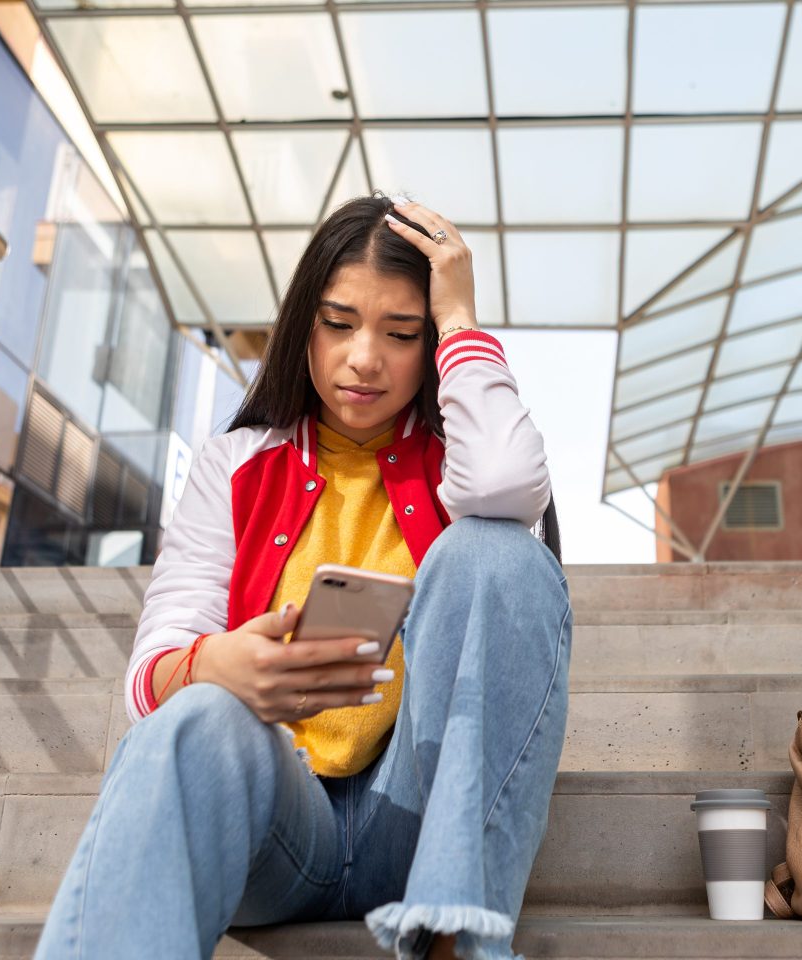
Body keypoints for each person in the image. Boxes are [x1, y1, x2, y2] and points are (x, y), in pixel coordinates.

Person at [33, 194, 572, 960]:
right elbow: (146, 680)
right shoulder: (234, 465)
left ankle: (457, 938)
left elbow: (511, 483)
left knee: (499, 553)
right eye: (339, 323)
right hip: (274, 827)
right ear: (304, 326)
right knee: (194, 723)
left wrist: (460, 319)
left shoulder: (460, 465)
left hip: (419, 827)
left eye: (403, 333)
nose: (364, 358)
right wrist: (219, 666)